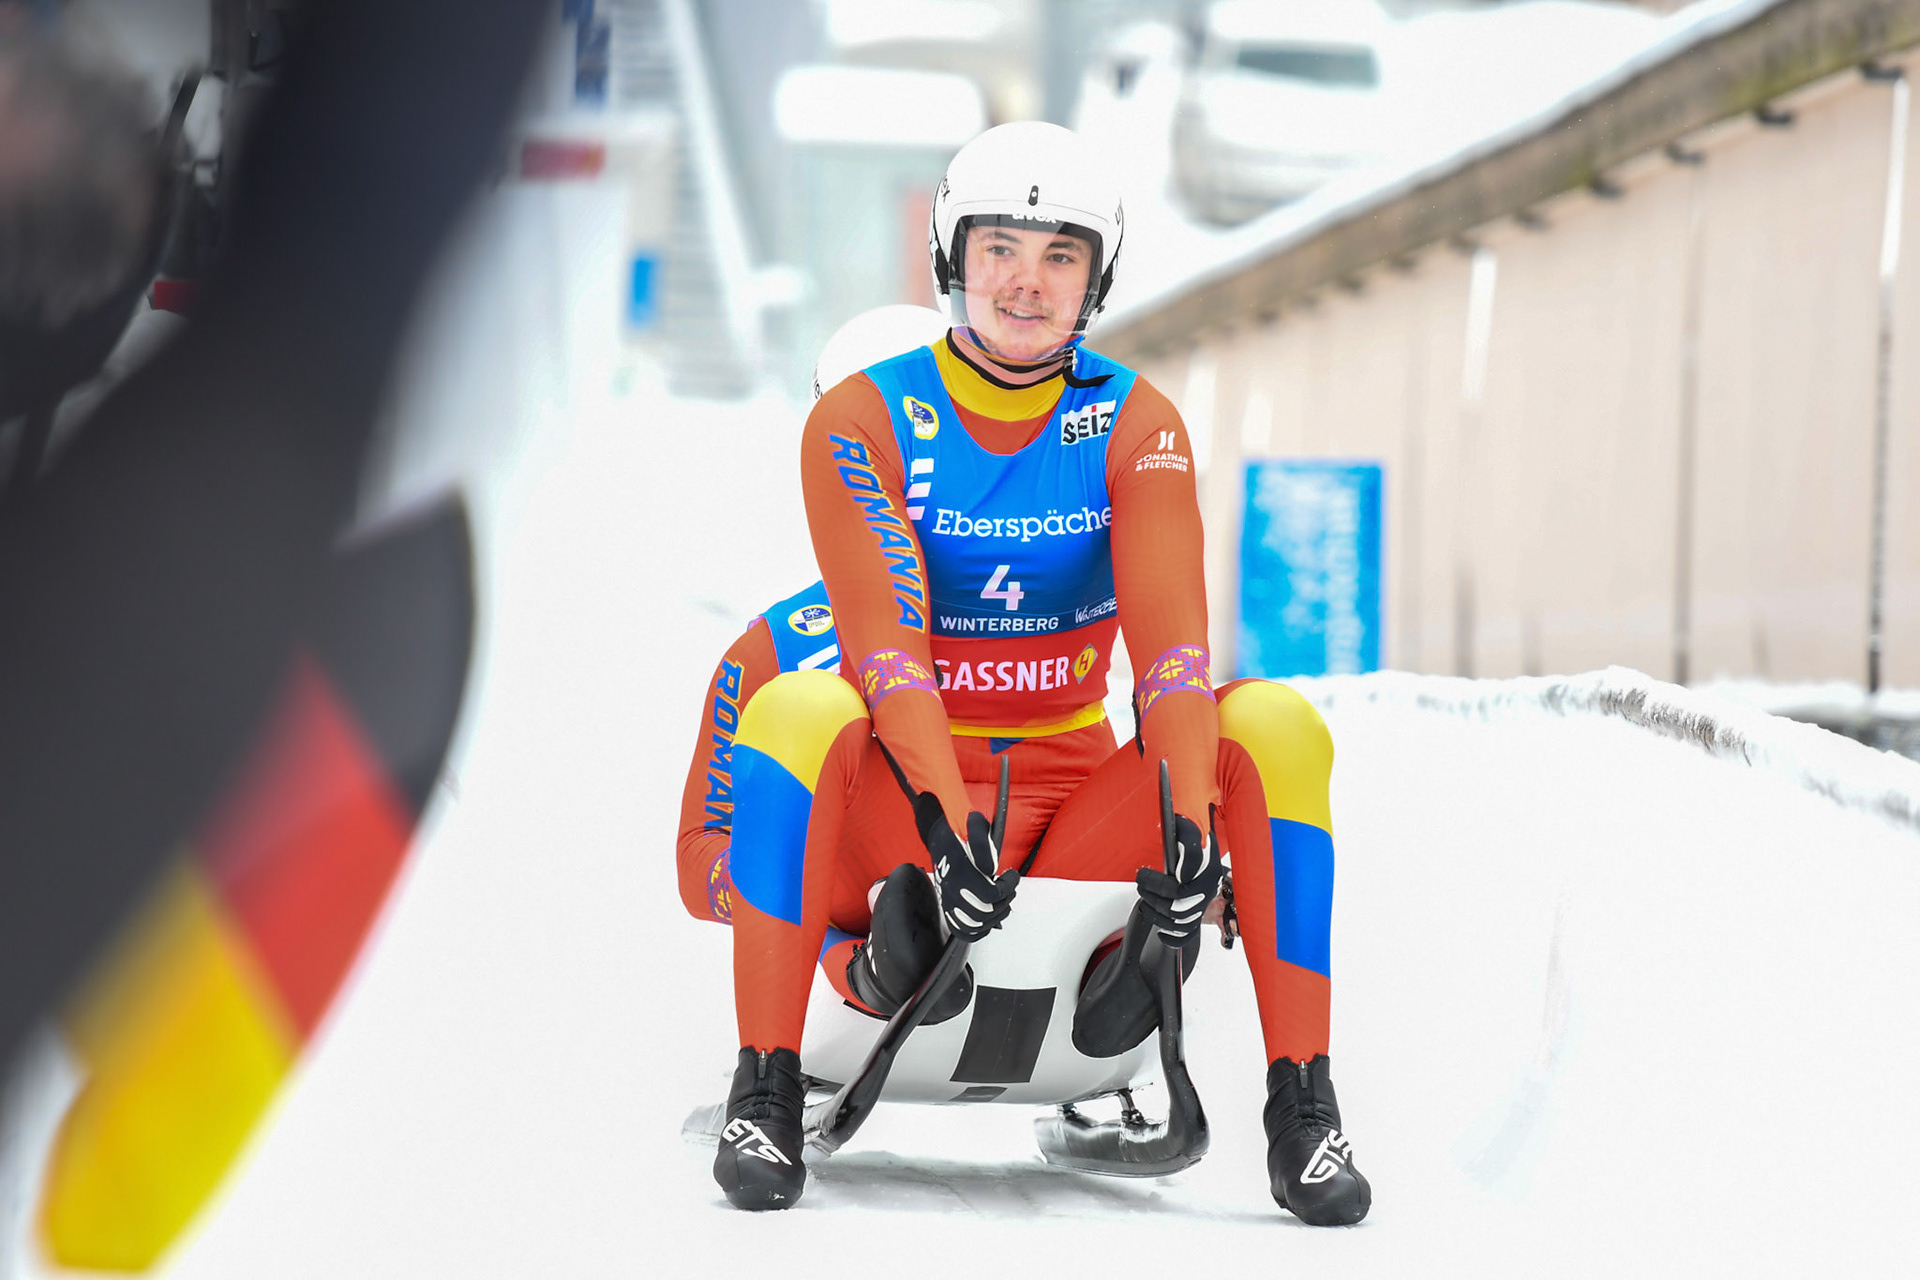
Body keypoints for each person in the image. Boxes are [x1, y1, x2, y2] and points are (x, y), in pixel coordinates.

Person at [710, 121, 1370, 1227]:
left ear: (1094, 280)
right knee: (799, 703)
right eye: (999, 249)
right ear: (950, 262)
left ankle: (1302, 1105)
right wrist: (934, 804)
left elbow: (1171, 652)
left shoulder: (1136, 420)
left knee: (1278, 724)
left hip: (1071, 803)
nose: (1026, 282)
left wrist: (1193, 817)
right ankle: (764, 1086)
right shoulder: (860, 418)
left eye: (1059, 254)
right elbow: (884, 646)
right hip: (911, 799)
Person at [675, 304, 954, 1019]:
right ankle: (865, 970)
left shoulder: (1046, 612)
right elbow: (701, 856)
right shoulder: (771, 650)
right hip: (865, 942)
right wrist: (829, 940)